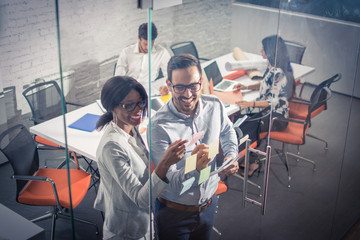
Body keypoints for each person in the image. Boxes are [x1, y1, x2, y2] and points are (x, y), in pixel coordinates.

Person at [149, 54, 239, 240]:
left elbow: (227, 132)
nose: (188, 94)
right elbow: (170, 181)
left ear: (201, 81)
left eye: (193, 86)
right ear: (168, 84)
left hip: (209, 204)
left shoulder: (215, 105)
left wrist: (231, 155)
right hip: (174, 212)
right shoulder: (159, 125)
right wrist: (196, 168)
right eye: (180, 87)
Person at [94, 76, 188, 240]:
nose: (138, 110)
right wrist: (165, 162)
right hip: (125, 229)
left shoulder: (131, 128)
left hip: (144, 221)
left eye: (141, 102)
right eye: (129, 105)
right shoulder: (112, 147)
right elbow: (141, 199)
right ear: (112, 107)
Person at [233, 35, 295, 176]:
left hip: (277, 117)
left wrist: (250, 104)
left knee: (247, 126)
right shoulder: (272, 66)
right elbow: (265, 84)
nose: (261, 51)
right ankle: (248, 159)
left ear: (270, 51)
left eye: (263, 48)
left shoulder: (278, 72)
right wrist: (246, 87)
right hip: (267, 111)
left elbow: (272, 102)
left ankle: (252, 162)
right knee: (243, 120)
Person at [114, 22, 170, 95]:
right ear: (139, 38)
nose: (148, 48)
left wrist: (165, 86)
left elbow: (171, 75)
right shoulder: (126, 52)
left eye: (151, 44)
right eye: (145, 44)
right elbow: (118, 77)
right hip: (130, 91)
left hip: (151, 92)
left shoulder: (162, 52)